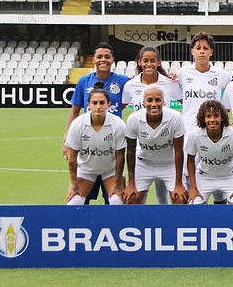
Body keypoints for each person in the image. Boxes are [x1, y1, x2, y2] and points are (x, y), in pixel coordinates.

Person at [63, 43, 129, 204]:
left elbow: (142, 86)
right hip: (88, 140)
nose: (103, 60)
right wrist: (66, 139)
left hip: (111, 143)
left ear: (113, 60)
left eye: (107, 56)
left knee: (118, 200)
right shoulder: (84, 81)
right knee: (77, 200)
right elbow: (75, 110)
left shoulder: (123, 81)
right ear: (93, 60)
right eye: (99, 56)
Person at [124, 84, 188, 205]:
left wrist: (178, 184)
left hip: (169, 165)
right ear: (143, 102)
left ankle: (172, 224)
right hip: (144, 164)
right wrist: (131, 183)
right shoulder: (134, 119)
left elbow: (179, 151)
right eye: (149, 100)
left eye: (158, 100)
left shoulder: (175, 118)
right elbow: (131, 151)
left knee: (180, 199)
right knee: (131, 199)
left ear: (163, 102)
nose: (154, 104)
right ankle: (139, 224)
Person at [64, 83, 126, 205]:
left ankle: (111, 224)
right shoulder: (78, 124)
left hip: (110, 170)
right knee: (73, 203)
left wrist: (118, 183)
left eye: (102, 103)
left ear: (108, 105)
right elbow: (72, 157)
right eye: (94, 103)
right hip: (86, 169)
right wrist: (73, 183)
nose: (98, 106)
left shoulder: (118, 124)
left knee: (117, 202)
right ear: (88, 105)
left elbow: (120, 157)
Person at [185, 100, 233, 204]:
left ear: (222, 117)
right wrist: (193, 188)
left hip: (229, 175)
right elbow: (190, 160)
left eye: (216, 116)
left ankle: (223, 206)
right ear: (203, 118)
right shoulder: (196, 134)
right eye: (208, 116)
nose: (212, 119)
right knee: (193, 204)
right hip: (205, 176)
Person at [122, 45, 182, 113]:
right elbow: (119, 108)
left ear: (158, 62)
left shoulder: (169, 83)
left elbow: (186, 103)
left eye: (153, 61)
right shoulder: (130, 85)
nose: (149, 64)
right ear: (139, 62)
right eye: (145, 61)